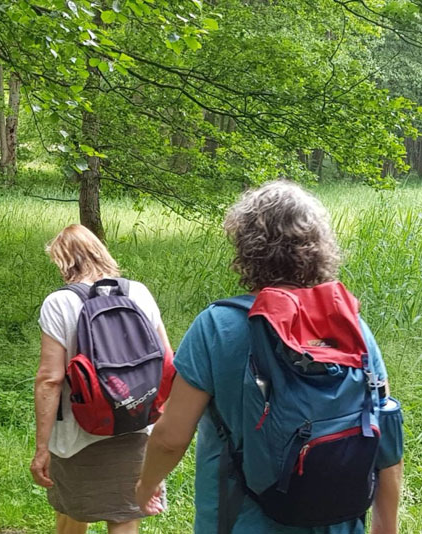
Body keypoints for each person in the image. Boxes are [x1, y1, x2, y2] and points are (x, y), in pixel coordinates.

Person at [136, 181, 404, 534]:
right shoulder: (350, 327)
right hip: (337, 522)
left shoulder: (218, 326)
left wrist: (145, 486)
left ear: (247, 250)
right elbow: (385, 433)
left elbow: (171, 437)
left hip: (238, 522)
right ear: (319, 248)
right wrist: (385, 527)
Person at [31, 224, 172, 534]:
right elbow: (166, 361)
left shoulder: (59, 303)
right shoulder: (138, 292)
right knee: (123, 514)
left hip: (77, 432)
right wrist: (157, 419)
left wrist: (42, 447)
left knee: (72, 509)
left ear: (62, 261)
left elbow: (50, 380)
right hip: (134, 422)